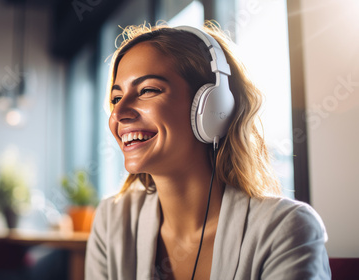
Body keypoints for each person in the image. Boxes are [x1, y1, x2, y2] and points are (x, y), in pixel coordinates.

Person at [85, 22, 331, 280]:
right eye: (115, 98)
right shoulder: (112, 221)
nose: (119, 113)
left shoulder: (286, 230)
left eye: (147, 90)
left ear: (212, 108)